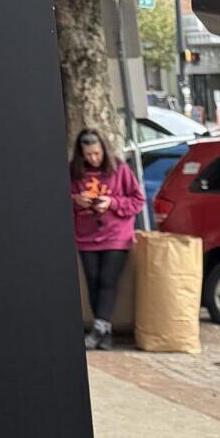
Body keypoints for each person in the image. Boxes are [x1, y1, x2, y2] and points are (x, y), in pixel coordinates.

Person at [70, 128, 144, 352]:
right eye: (88, 154)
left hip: (116, 235)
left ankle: (99, 329)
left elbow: (137, 200)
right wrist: (76, 200)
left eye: (96, 153)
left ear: (104, 149)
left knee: (107, 280)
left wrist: (111, 203)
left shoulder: (119, 169)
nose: (93, 158)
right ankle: (105, 332)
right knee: (92, 280)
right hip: (86, 235)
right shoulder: (74, 173)